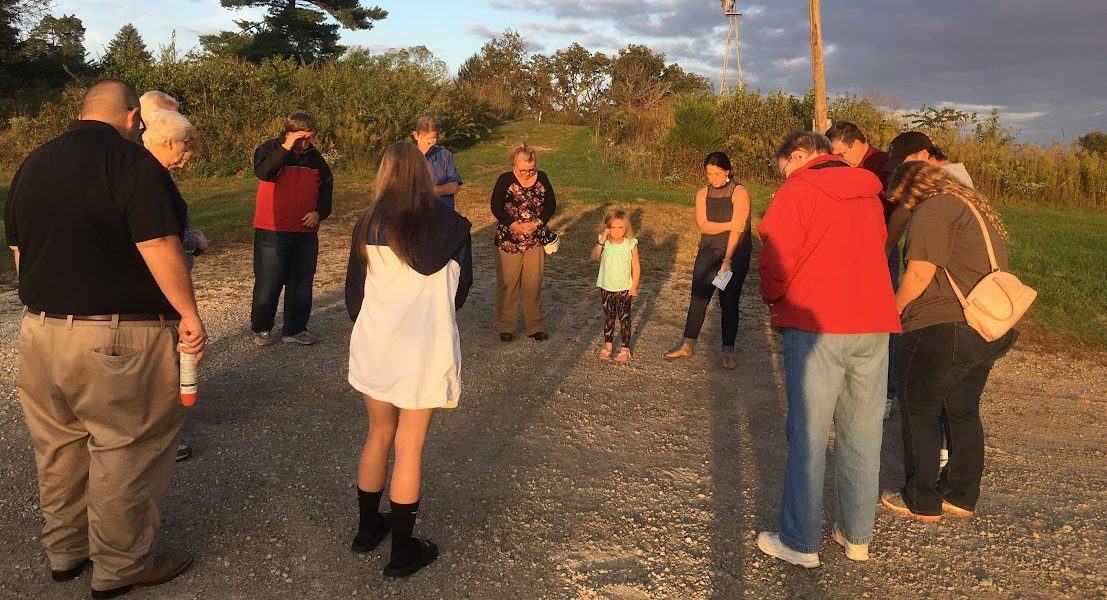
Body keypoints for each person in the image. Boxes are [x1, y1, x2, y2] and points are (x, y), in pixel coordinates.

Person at [4, 79, 206, 598]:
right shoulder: (132, 163)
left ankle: (65, 552)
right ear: (133, 115)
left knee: (59, 448)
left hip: (40, 331)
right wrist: (188, 313)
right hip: (117, 338)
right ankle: (121, 567)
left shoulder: (33, 164)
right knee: (126, 448)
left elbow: (20, 252)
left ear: (82, 110)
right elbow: (159, 242)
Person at [756, 131, 900, 568]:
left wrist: (772, 298)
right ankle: (857, 537)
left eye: (785, 167)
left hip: (817, 323)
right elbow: (877, 246)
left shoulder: (796, 189)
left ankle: (800, 542)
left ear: (798, 155)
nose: (785, 175)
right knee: (862, 432)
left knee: (809, 434)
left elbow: (776, 256)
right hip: (873, 322)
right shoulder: (869, 192)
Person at [343, 141, 473, 577]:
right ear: (424, 174)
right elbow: (462, 292)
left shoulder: (366, 224)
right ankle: (402, 553)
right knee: (409, 445)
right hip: (423, 348)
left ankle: (366, 531)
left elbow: (353, 296)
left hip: (376, 345)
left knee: (378, 434)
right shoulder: (452, 226)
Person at [879, 161, 1018, 523]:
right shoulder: (971, 206)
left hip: (941, 326)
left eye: (903, 201)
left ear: (912, 190)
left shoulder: (935, 208)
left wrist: (890, 313)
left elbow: (920, 273)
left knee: (919, 409)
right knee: (963, 410)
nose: (904, 209)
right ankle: (960, 495)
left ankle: (920, 499)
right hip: (983, 327)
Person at [883, 131, 977, 468]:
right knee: (959, 397)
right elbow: (903, 215)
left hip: (945, 301)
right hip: (951, 299)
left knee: (931, 387)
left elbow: (922, 271)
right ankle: (954, 467)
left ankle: (932, 464)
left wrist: (894, 310)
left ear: (924, 155)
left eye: (906, 163)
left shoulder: (948, 185)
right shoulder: (940, 182)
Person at [138, 99, 208, 464]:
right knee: (161, 360)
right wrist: (192, 241)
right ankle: (160, 436)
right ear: (167, 143)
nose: (187, 154)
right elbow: (158, 235)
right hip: (158, 284)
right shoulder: (149, 176)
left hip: (157, 280)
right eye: (184, 146)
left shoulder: (144, 171)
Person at [826, 121, 900, 418]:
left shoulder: (883, 165)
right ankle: (850, 384)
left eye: (842, 154)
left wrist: (885, 251)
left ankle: (888, 392)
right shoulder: (843, 167)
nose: (839, 161)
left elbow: (900, 214)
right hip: (851, 253)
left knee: (885, 321)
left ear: (857, 143)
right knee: (851, 319)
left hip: (881, 253)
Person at [251, 112, 333, 346]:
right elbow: (265, 172)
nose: (306, 142)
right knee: (269, 280)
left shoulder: (316, 158)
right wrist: (286, 147)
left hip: (305, 232)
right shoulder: (268, 150)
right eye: (302, 137)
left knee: (302, 281)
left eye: (310, 137)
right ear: (288, 133)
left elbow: (327, 188)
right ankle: (262, 328)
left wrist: (319, 213)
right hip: (272, 229)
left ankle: (295, 329)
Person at [664, 152, 751, 370]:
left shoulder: (739, 193)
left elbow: (738, 230)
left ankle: (728, 352)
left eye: (717, 173)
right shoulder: (702, 193)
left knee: (729, 303)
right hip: (708, 250)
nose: (713, 178)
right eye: (709, 174)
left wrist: (728, 260)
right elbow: (703, 225)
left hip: (735, 254)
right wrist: (728, 224)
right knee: (698, 298)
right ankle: (687, 344)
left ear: (728, 171)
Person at [491, 142, 556, 342]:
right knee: (508, 283)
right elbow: (496, 206)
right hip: (509, 239)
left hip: (535, 239)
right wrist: (512, 224)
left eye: (531, 169)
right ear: (514, 165)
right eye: (523, 170)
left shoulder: (542, 178)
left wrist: (538, 222)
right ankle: (506, 326)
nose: (528, 173)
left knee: (533, 283)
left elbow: (551, 204)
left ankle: (534, 326)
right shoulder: (505, 179)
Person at [589, 208, 641, 362]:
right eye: (613, 228)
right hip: (606, 287)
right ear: (607, 228)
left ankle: (625, 347)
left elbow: (636, 266)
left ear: (626, 228)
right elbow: (593, 256)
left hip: (624, 288)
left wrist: (634, 286)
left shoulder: (631, 244)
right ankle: (608, 346)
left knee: (624, 318)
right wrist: (602, 239)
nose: (617, 231)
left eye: (620, 228)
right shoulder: (603, 242)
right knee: (609, 317)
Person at [412, 115, 464, 209]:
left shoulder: (445, 155)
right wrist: (421, 155)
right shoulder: (407, 157)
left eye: (432, 139)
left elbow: (453, 187)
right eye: (425, 138)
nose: (429, 143)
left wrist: (426, 190)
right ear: (416, 136)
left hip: (443, 212)